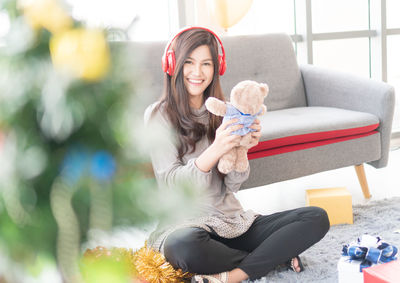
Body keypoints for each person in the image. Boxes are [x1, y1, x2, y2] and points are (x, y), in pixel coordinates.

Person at [144, 26, 330, 283]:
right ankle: (272, 258)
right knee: (182, 248)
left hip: (231, 221)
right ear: (173, 64)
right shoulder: (158, 115)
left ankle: (233, 275)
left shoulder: (227, 113)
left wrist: (242, 150)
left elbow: (233, 185)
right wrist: (216, 149)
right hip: (186, 226)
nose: (197, 72)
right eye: (189, 62)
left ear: (216, 68)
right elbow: (171, 186)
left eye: (206, 64)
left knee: (316, 217)